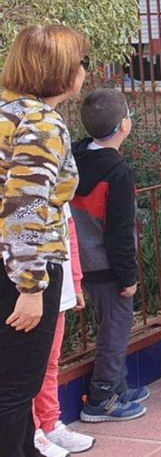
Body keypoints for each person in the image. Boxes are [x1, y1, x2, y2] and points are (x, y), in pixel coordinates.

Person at [0, 24, 86, 457]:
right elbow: (26, 209)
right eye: (81, 62)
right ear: (64, 71)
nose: (85, 70)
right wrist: (31, 288)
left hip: (8, 262)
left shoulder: (7, 112)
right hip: (21, 271)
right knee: (16, 387)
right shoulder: (40, 122)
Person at [72, 89, 148, 424]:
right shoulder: (117, 171)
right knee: (116, 329)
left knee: (110, 325)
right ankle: (101, 397)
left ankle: (116, 386)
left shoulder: (75, 156)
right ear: (124, 125)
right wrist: (128, 276)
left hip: (84, 259)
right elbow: (118, 230)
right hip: (108, 264)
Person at [33, 209, 97, 456]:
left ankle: (49, 424)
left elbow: (68, 231)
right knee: (27, 368)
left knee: (50, 362)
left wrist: (76, 281)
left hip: (57, 288)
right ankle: (32, 430)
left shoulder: (59, 177)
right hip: (28, 293)